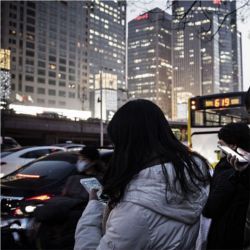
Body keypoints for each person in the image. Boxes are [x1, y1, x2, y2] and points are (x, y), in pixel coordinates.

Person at [74, 99, 210, 250]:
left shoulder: (135, 212)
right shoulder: (192, 177)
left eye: (117, 144)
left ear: (128, 145)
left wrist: (93, 208)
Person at [203, 122, 250, 250]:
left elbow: (211, 208)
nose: (219, 148)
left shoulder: (227, 171)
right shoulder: (244, 168)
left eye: (221, 145)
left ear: (233, 146)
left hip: (226, 236)